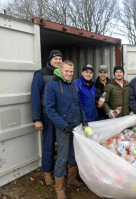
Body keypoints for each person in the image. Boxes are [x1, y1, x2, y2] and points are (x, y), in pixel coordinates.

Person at [45, 60, 87, 199]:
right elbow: (50, 110)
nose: (69, 74)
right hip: (63, 128)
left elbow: (79, 104)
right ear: (60, 70)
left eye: (71, 71)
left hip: (76, 126)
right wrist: (64, 125)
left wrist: (84, 119)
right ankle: (60, 190)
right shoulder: (52, 85)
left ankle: (72, 179)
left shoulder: (73, 85)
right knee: (62, 157)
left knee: (73, 154)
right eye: (66, 71)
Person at [31, 50, 62, 186]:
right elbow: (35, 97)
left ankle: (59, 172)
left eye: (60, 59)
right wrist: (37, 119)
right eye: (55, 58)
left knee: (61, 145)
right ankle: (47, 173)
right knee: (48, 145)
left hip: (60, 117)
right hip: (47, 116)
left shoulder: (63, 74)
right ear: (50, 60)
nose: (58, 61)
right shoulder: (40, 74)